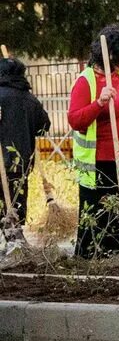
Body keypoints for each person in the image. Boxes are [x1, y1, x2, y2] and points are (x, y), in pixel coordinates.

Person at [68, 26, 119, 259]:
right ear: (112, 54)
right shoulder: (86, 82)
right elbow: (75, 119)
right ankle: (97, 262)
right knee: (103, 213)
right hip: (102, 161)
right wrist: (99, 103)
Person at [0, 57, 51, 234]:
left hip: (1, 161)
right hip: (21, 162)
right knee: (17, 200)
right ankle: (15, 239)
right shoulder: (30, 99)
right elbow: (44, 127)